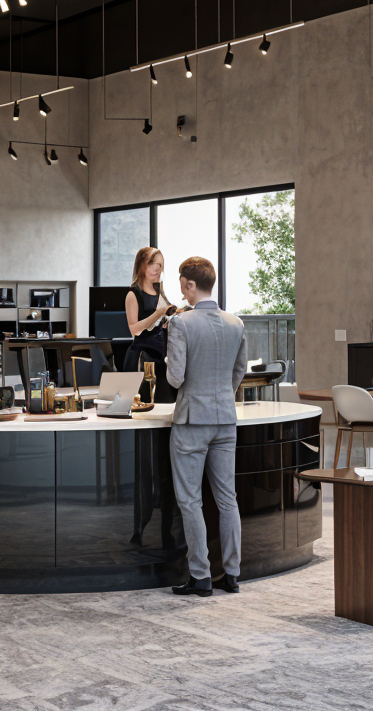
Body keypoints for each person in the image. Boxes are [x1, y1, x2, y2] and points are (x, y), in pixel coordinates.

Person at [164, 257, 248, 597]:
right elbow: (239, 372)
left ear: (189, 284)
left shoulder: (180, 323)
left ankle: (200, 577)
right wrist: (222, 396)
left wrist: (168, 359)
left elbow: (175, 378)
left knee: (190, 501)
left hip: (191, 421)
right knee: (228, 499)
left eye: (182, 286)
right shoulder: (236, 323)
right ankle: (232, 575)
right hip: (225, 419)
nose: (182, 292)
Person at [123, 247, 178, 402]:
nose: (158, 269)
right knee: (144, 402)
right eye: (154, 264)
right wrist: (157, 314)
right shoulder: (133, 294)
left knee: (166, 401)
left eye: (161, 265)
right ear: (142, 265)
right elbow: (134, 329)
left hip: (162, 356)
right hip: (142, 357)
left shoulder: (160, 292)